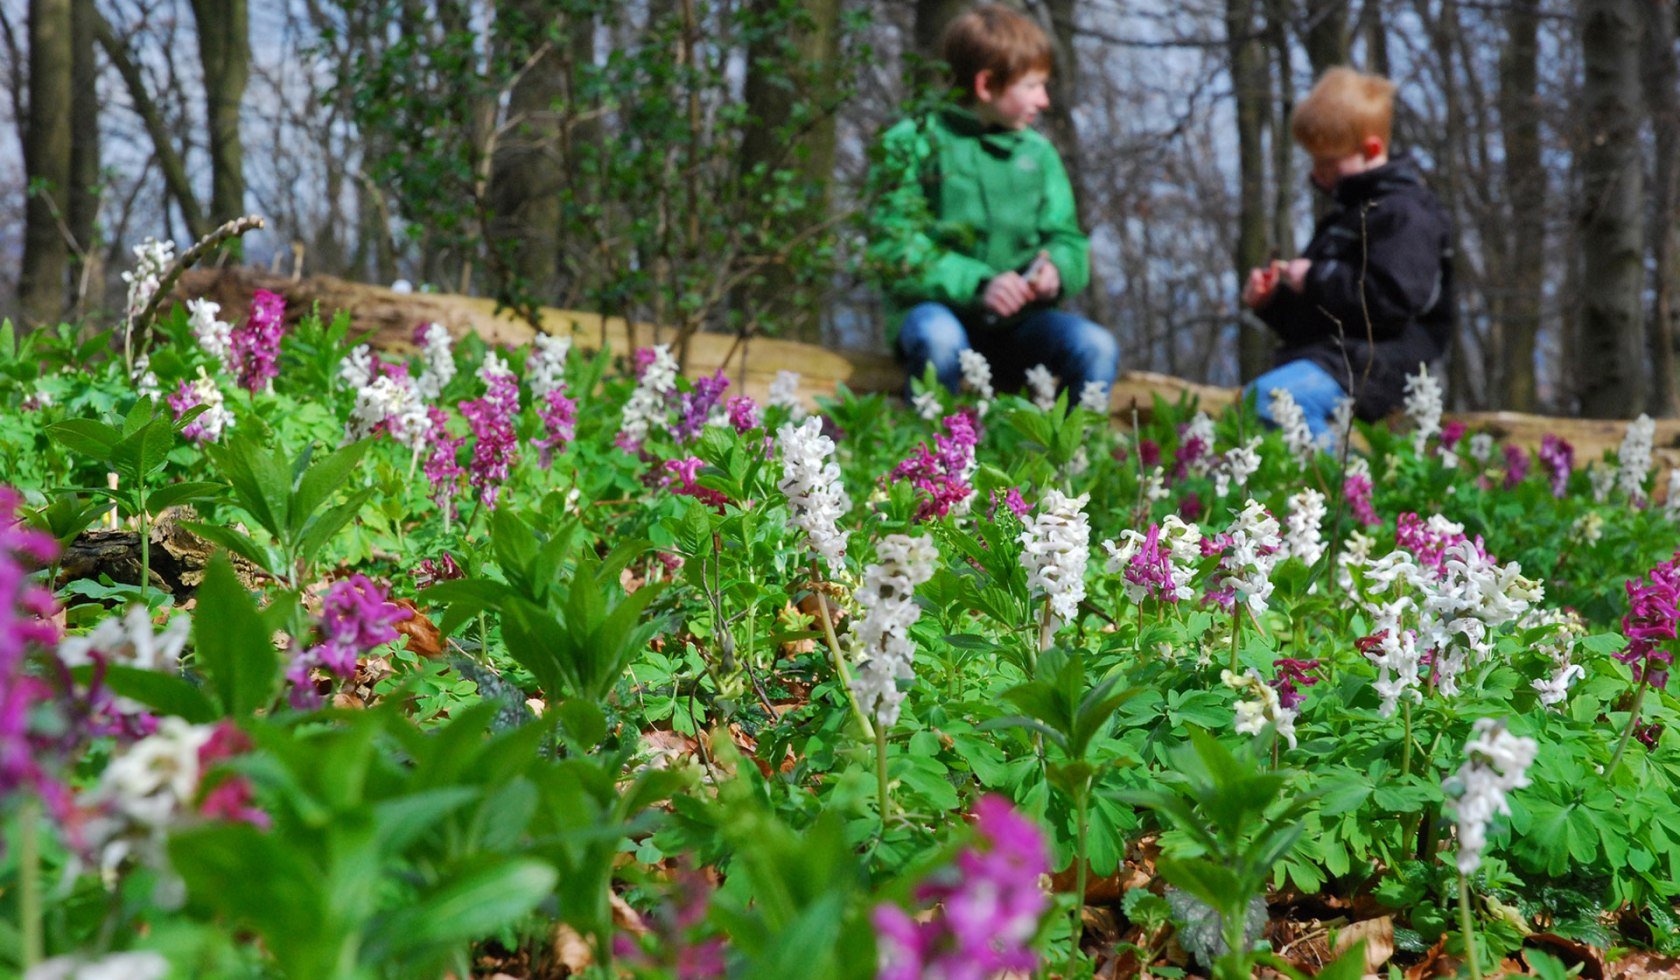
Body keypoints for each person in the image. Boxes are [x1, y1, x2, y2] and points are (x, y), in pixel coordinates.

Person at [866, 3, 1118, 401]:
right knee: (938, 339)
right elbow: (894, 246)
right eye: (1033, 86)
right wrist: (980, 284)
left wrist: (1055, 270)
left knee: (1095, 347)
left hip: (1021, 326)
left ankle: (1074, 458)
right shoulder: (911, 141)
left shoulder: (1038, 155)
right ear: (986, 85)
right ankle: (933, 458)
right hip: (939, 314)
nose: (1045, 100)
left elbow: (1068, 238)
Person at [1240, 66, 1454, 439]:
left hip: (1390, 366)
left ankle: (1344, 495)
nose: (1318, 173)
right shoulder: (1346, 217)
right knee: (1257, 404)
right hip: (1340, 359)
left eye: (1328, 161)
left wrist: (1316, 278)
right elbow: (1325, 319)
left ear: (1370, 149)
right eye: (1314, 160)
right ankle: (1338, 485)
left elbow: (1390, 302)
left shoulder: (1406, 213)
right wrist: (1272, 303)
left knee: (1269, 400)